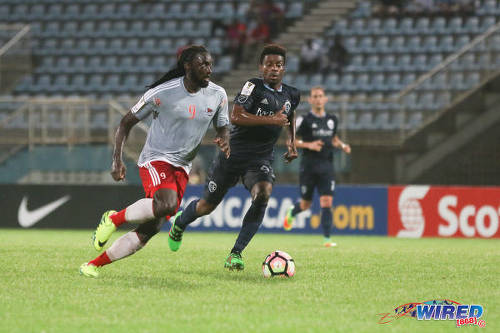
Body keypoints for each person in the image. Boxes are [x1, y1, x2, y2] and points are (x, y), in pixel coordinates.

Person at [79, 45, 230, 278]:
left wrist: (224, 138)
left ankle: (93, 265)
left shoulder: (218, 95)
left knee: (150, 230)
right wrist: (116, 160)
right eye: (203, 64)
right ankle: (113, 218)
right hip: (156, 158)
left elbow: (222, 125)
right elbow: (125, 123)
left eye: (210, 64)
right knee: (168, 205)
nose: (209, 69)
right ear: (188, 66)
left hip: (182, 166)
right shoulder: (162, 92)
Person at [168, 44, 300, 271]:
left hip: (260, 160)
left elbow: (290, 114)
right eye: (269, 64)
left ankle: (235, 253)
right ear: (261, 67)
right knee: (206, 207)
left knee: (263, 194)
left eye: (278, 65)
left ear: (284, 68)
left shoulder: (292, 94)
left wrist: (292, 141)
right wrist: (272, 120)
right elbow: (236, 116)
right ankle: (180, 223)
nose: (274, 69)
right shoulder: (253, 86)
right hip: (232, 155)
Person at [283, 86, 351, 247]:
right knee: (306, 204)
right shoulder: (304, 120)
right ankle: (292, 212)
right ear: (311, 100)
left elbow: (333, 138)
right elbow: (290, 141)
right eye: (315, 96)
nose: (319, 99)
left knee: (327, 202)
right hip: (309, 166)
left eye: (321, 96)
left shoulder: (332, 119)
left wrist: (342, 145)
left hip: (327, 166)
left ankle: (327, 239)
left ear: (325, 99)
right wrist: (309, 144)